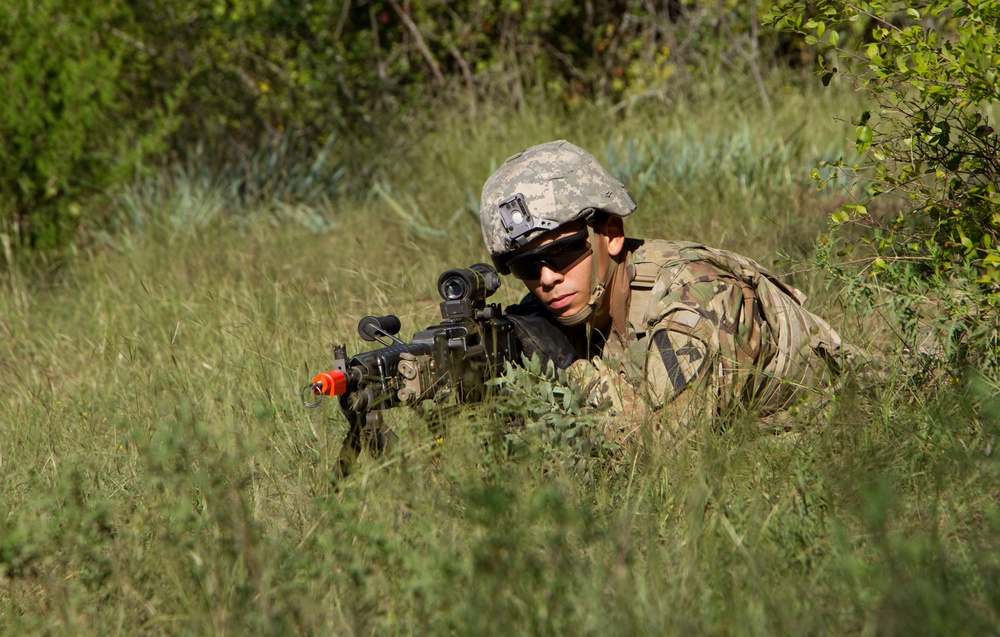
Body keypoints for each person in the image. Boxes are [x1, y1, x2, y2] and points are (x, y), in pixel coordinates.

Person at [480, 140, 849, 442]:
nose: (546, 278)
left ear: (610, 235)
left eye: (560, 252)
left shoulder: (696, 296)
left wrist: (568, 369)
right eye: (526, 267)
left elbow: (668, 450)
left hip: (841, 431)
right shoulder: (554, 306)